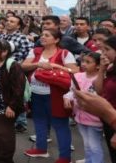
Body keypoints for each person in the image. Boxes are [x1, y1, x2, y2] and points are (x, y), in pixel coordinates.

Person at [22, 29, 78, 160]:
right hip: (35, 93)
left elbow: (75, 70)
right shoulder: (35, 51)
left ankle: (65, 157)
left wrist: (55, 66)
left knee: (60, 124)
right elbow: (23, 66)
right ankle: (41, 148)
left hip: (56, 95)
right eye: (42, 35)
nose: (43, 37)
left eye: (47, 35)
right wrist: (37, 64)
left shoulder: (64, 53)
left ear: (56, 39)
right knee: (39, 121)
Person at [64, 51, 104, 163]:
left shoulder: (100, 80)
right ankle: (89, 160)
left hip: (95, 118)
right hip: (80, 116)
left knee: (94, 146)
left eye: (88, 62)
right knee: (87, 144)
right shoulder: (77, 76)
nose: (84, 64)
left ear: (98, 66)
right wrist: (67, 98)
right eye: (83, 61)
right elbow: (72, 92)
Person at [0, 14, 34, 132]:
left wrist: (19, 65)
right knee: (4, 94)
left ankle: (21, 122)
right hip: (2, 69)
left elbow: (29, 54)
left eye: (12, 21)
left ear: (18, 26)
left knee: (17, 94)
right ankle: (7, 119)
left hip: (15, 70)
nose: (8, 23)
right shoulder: (2, 36)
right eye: (8, 21)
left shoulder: (21, 38)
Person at [94, 35, 116, 162]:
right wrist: (102, 68)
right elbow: (99, 90)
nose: (103, 54)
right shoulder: (111, 68)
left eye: (107, 50)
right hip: (108, 119)